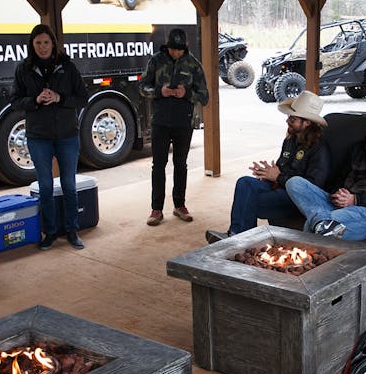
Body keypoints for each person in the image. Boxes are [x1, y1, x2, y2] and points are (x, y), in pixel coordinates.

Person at [204, 91, 331, 243]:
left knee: (250, 201)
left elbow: (312, 187)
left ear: (307, 123)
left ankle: (243, 240)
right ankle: (237, 235)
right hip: (280, 186)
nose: (287, 121)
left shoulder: (319, 148)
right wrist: (267, 173)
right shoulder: (291, 140)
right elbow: (281, 168)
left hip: (296, 199)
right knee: (244, 183)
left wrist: (278, 176)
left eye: (293, 118)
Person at [284, 104, 366, 241]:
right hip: (339, 203)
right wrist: (338, 194)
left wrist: (356, 199)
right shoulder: (360, 147)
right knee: (294, 183)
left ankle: (321, 222)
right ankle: (323, 221)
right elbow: (341, 177)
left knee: (324, 223)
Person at [11, 24, 88, 250]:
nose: (43, 47)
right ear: (32, 46)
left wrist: (59, 98)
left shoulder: (67, 67)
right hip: (38, 137)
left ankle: (72, 231)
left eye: (46, 42)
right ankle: (50, 232)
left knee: (69, 184)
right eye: (38, 43)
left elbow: (82, 98)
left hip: (67, 135)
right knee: (45, 186)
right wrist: (34, 101)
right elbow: (15, 102)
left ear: (53, 43)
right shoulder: (23, 69)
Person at [140, 27, 209, 226]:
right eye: (173, 49)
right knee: (158, 166)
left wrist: (186, 94)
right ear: (167, 46)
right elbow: (142, 87)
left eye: (179, 50)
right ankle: (156, 209)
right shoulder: (156, 61)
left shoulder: (193, 64)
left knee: (181, 165)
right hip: (160, 122)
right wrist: (159, 91)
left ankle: (180, 205)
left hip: (183, 123)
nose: (176, 53)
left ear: (185, 47)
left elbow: (204, 97)